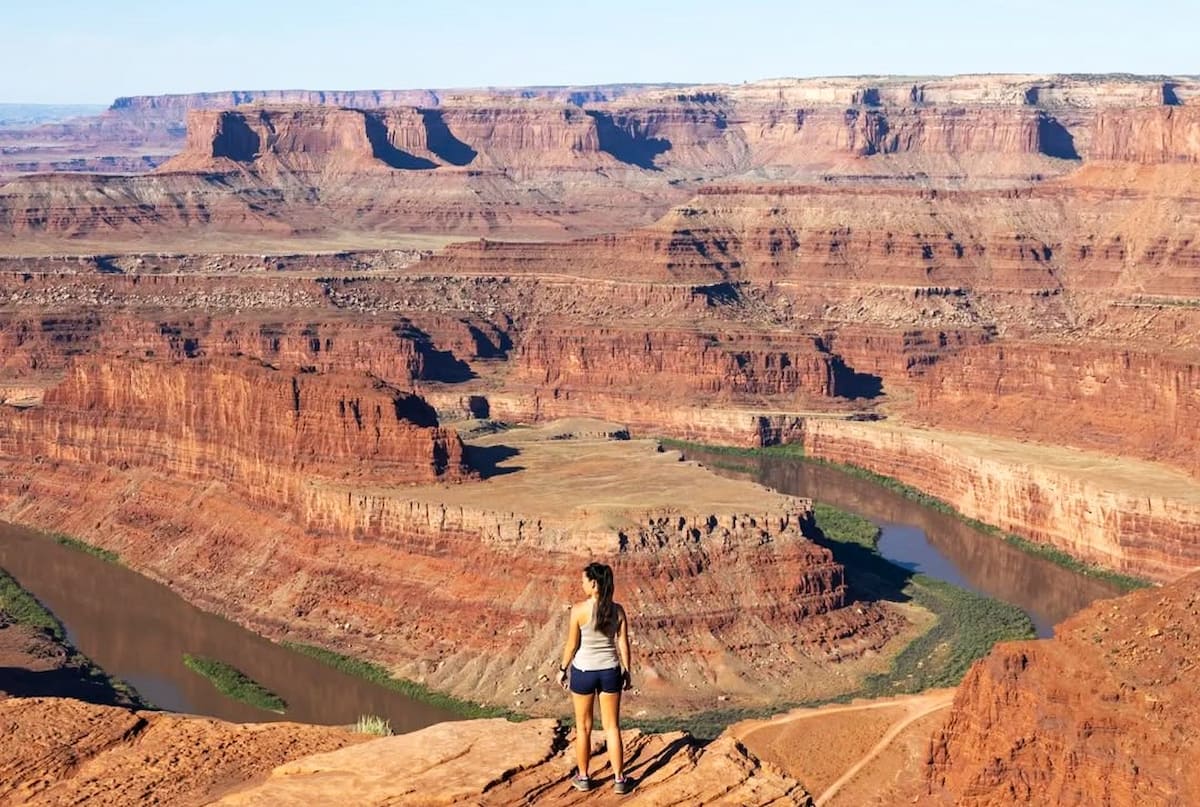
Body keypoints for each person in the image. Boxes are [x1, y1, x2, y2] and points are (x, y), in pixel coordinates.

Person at [556, 561, 633, 795]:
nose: (581, 585)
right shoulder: (618, 611)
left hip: (584, 673)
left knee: (584, 727)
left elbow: (572, 645)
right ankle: (620, 780)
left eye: (583, 581)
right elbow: (623, 643)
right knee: (612, 727)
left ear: (594, 583)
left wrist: (562, 668)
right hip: (610, 671)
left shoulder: (579, 610)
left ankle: (584, 777)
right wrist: (627, 671)